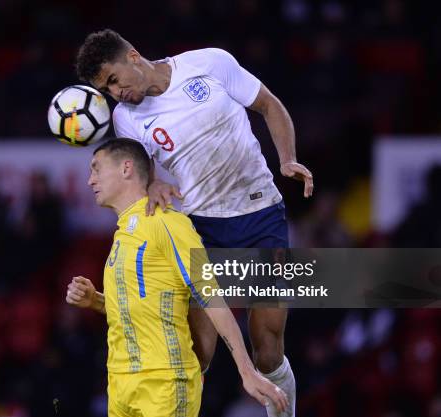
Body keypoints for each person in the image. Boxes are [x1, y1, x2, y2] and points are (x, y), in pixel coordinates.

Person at [76, 29, 314, 417]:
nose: (116, 92)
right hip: (202, 226)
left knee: (268, 348)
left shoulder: (209, 63)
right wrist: (154, 185)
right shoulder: (126, 118)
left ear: (133, 56)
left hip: (260, 214)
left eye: (114, 79)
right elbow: (140, 173)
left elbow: (269, 105)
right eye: (106, 89)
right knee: (196, 354)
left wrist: (286, 159)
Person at [65, 139, 288, 417]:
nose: (89, 180)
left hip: (165, 382)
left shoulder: (168, 223)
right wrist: (96, 301)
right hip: (121, 383)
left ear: (126, 168)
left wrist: (246, 371)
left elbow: (211, 297)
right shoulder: (124, 234)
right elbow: (141, 305)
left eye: (96, 169)